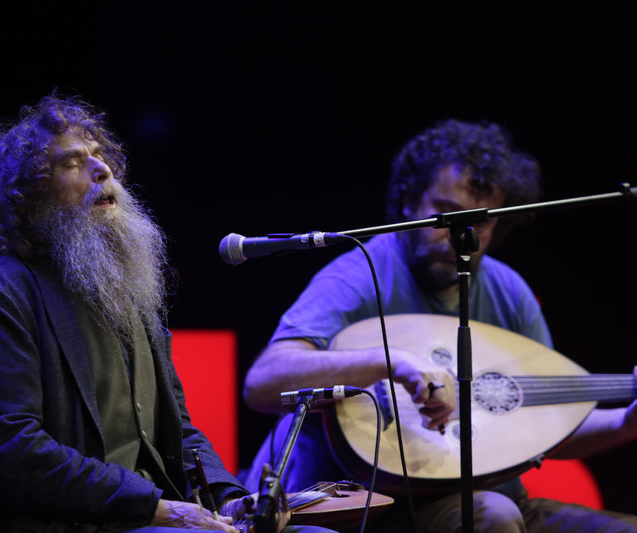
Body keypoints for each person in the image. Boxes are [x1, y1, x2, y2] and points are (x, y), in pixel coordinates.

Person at [0, 94, 323, 533]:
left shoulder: (121, 288)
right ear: (29, 197)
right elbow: (11, 453)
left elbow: (179, 430)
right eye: (71, 163)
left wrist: (230, 498)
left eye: (100, 155)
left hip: (149, 517)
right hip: (72, 523)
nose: (101, 169)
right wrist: (162, 509)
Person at [242, 120, 637, 532]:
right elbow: (264, 382)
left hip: (493, 496)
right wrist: (392, 362)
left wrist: (627, 423)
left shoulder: (509, 291)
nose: (457, 234)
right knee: (493, 515)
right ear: (409, 202)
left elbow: (550, 426)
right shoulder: (361, 275)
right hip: (371, 508)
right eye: (445, 214)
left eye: (479, 222)